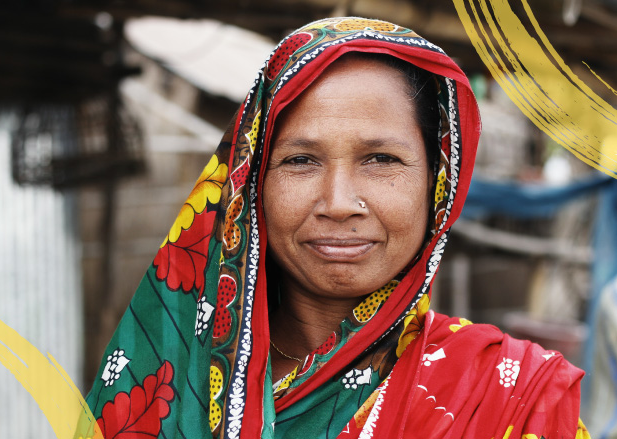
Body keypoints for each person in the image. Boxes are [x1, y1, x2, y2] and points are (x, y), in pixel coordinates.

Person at [80, 17, 588, 439]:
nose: (340, 203)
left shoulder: (512, 398)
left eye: (381, 159)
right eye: (300, 160)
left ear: (438, 184)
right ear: (249, 182)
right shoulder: (158, 380)